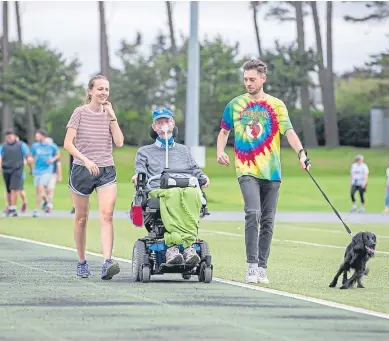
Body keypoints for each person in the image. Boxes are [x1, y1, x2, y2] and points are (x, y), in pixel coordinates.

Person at [216, 59, 310, 284]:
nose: (248, 83)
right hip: (246, 168)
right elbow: (223, 131)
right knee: (253, 213)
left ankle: (261, 267)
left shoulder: (277, 105)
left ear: (263, 79)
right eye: (245, 79)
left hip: (272, 171)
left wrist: (302, 153)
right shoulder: (235, 105)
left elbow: (289, 131)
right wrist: (220, 151)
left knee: (268, 220)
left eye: (252, 79)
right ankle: (250, 265)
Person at [131, 108, 210, 266]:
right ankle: (173, 247)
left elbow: (195, 170)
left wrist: (203, 177)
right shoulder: (144, 152)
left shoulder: (183, 150)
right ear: (154, 127)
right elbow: (140, 171)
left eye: (166, 122)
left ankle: (188, 247)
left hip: (184, 188)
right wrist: (138, 177)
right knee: (172, 193)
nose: (163, 125)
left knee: (193, 193)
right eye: (159, 123)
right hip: (158, 191)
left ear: (173, 124)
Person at [64, 74, 124, 280]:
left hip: (106, 170)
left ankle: (107, 262)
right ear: (90, 91)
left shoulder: (109, 114)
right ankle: (82, 262)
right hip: (82, 170)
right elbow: (68, 144)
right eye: (100, 89)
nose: (104, 93)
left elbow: (119, 142)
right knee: (82, 218)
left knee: (107, 215)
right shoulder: (79, 113)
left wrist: (113, 116)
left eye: (106, 89)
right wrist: (87, 160)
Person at [0, 129, 32, 217]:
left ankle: (13, 208)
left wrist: (30, 167)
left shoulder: (21, 145)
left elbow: (28, 156)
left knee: (14, 188)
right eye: (7, 137)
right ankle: (9, 206)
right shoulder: (4, 146)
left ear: (14, 136)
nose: (8, 138)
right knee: (8, 190)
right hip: (6, 169)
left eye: (10, 136)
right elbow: (0, 156)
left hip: (17, 169)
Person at [30, 129, 60, 217]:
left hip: (47, 171)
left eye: (37, 136)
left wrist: (52, 159)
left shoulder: (51, 146)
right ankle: (48, 202)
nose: (36, 138)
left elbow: (58, 154)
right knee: (39, 191)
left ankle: (36, 209)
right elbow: (31, 155)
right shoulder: (35, 146)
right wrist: (30, 160)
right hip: (37, 171)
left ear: (43, 136)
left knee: (40, 190)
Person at [41, 137, 62, 212]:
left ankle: (49, 204)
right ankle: (47, 202)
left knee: (50, 189)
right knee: (42, 191)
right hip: (42, 173)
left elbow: (59, 165)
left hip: (52, 174)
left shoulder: (55, 154)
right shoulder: (43, 153)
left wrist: (59, 176)